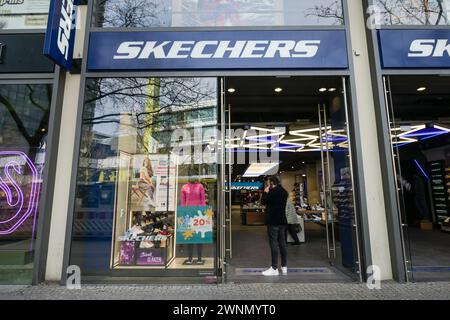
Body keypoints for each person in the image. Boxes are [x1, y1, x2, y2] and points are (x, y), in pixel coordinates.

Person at [260, 175, 289, 276]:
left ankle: (274, 267)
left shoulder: (272, 192)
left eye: (268, 183)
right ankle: (284, 266)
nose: (268, 184)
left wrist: (265, 192)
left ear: (272, 183)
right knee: (282, 244)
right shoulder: (285, 192)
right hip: (282, 221)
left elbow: (263, 202)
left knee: (273, 244)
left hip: (273, 221)